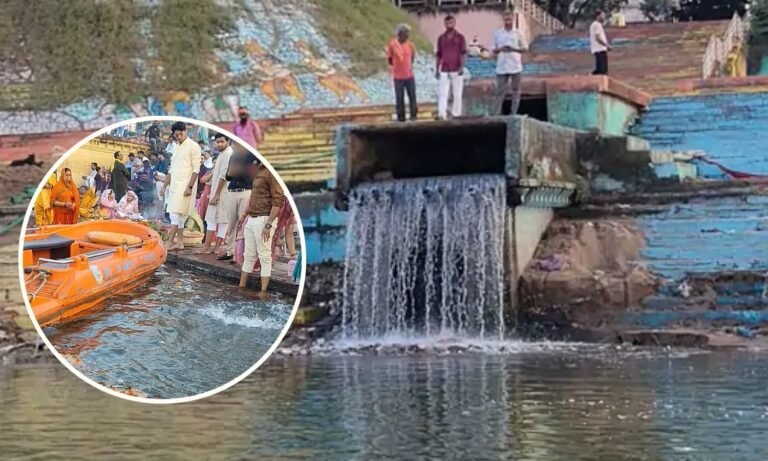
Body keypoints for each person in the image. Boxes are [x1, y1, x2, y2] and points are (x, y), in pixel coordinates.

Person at [235, 157, 285, 299]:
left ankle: (263, 291)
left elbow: (278, 201)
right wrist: (244, 215)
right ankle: (241, 286)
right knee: (248, 255)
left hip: (264, 219)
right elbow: (254, 196)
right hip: (252, 218)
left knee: (264, 255)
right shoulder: (258, 170)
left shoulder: (271, 172)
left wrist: (268, 224)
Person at [161, 121, 202, 251]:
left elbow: (196, 169)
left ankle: (169, 242)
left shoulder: (194, 146)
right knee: (180, 216)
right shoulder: (175, 146)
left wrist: (189, 187)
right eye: (176, 135)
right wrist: (164, 186)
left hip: (185, 185)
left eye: (181, 134)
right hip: (174, 185)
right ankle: (179, 242)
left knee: (176, 214)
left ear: (186, 131)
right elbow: (171, 170)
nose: (179, 137)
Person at [218, 144, 257, 261]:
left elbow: (251, 175)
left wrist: (238, 171)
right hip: (232, 191)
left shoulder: (251, 156)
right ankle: (230, 251)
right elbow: (229, 175)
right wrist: (235, 171)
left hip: (246, 191)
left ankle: (243, 253)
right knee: (231, 223)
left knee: (244, 224)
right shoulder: (233, 157)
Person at [492, 9, 528, 116]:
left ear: (513, 19)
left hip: (515, 65)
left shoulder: (518, 33)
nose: (507, 21)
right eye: (506, 19)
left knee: (516, 90)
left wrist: (513, 49)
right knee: (499, 91)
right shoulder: (497, 33)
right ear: (503, 19)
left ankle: (514, 112)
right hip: (502, 66)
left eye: (509, 19)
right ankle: (495, 113)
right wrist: (501, 49)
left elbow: (525, 48)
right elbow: (493, 49)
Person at [203, 133, 234, 255]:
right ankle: (215, 248)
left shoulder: (228, 154)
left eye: (222, 141)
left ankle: (207, 247)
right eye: (217, 142)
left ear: (227, 141)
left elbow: (223, 176)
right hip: (221, 192)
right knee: (221, 221)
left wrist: (216, 195)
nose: (219, 144)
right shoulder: (223, 154)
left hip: (222, 193)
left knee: (213, 220)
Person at [435, 15, 467, 120]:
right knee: (442, 93)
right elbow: (439, 54)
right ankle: (441, 114)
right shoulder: (441, 38)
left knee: (457, 94)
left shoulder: (460, 37)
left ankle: (456, 114)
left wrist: (462, 67)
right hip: (444, 69)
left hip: (457, 69)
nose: (449, 25)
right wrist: (437, 69)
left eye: (451, 22)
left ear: (454, 23)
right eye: (447, 23)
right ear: (444, 24)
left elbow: (463, 53)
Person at [387, 24, 417, 122]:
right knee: (399, 98)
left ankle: (413, 116)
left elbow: (412, 58)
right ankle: (401, 118)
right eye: (405, 34)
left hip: (409, 75)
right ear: (400, 34)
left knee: (412, 96)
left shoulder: (410, 45)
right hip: (398, 76)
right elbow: (390, 59)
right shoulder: (392, 44)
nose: (407, 36)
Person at [590, 10, 610, 75]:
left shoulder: (596, 25)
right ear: (598, 16)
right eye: (602, 16)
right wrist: (606, 45)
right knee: (603, 70)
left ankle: (591, 78)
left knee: (599, 69)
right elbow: (597, 38)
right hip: (600, 49)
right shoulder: (597, 25)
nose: (604, 17)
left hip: (599, 49)